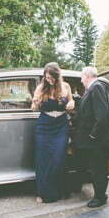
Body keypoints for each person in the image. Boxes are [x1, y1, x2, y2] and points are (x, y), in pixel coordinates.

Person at [31, 62, 75, 203]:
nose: (49, 80)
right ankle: (43, 193)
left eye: (51, 77)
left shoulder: (66, 86)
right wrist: (36, 102)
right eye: (47, 77)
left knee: (58, 158)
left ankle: (59, 191)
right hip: (44, 126)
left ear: (57, 76)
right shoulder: (40, 87)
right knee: (43, 159)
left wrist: (71, 104)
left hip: (61, 126)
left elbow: (71, 102)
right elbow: (33, 108)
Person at [73, 66, 109, 208]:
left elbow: (102, 115)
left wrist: (92, 135)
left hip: (97, 140)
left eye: (81, 77)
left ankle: (100, 197)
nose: (80, 80)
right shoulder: (93, 88)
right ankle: (98, 194)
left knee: (98, 169)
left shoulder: (96, 87)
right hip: (91, 140)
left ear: (87, 76)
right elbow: (88, 110)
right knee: (93, 167)